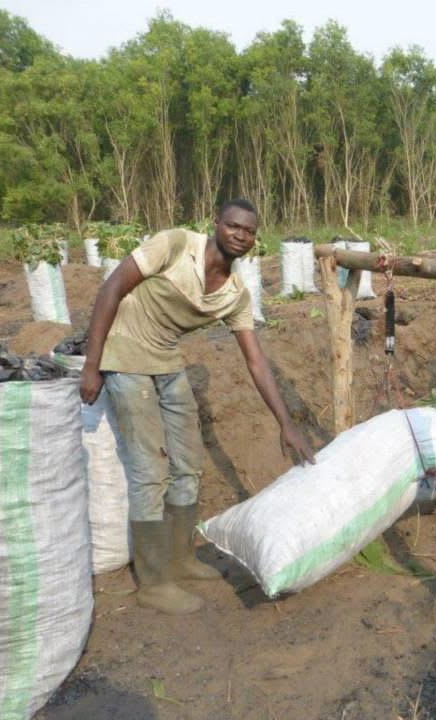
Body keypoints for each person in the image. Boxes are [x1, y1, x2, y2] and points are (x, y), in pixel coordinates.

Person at [79, 198, 315, 615]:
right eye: (233, 226)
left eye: (249, 231)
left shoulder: (234, 295)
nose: (241, 235)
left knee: (188, 464)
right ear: (215, 224)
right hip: (126, 357)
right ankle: (153, 583)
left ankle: (181, 557)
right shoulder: (174, 246)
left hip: (167, 362)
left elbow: (255, 360)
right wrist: (92, 365)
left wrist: (286, 424)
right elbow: (112, 286)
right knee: (150, 470)